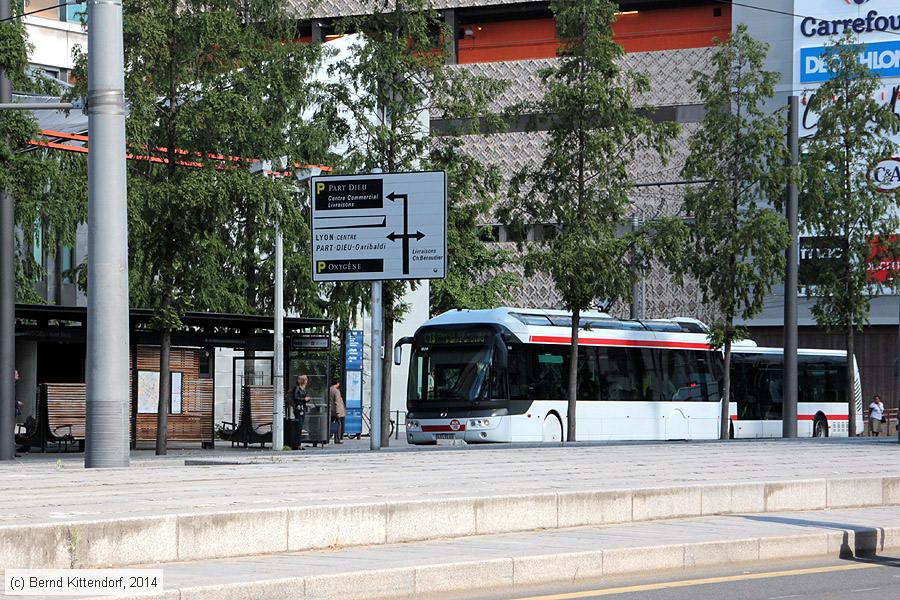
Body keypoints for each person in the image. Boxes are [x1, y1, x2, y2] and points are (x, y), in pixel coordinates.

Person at [289, 375, 309, 450]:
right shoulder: (297, 388)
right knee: (298, 426)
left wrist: (306, 399)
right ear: (303, 380)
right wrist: (304, 399)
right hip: (298, 408)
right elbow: (295, 397)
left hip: (302, 408)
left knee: (300, 427)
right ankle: (296, 444)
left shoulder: (304, 389)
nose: (307, 381)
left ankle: (299, 444)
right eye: (306, 379)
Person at [329, 379, 345, 444]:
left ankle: (328, 436)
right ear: (337, 383)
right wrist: (338, 412)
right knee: (338, 424)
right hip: (335, 411)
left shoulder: (328, 389)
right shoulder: (336, 391)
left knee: (329, 423)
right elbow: (337, 402)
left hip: (330, 410)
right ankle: (337, 439)